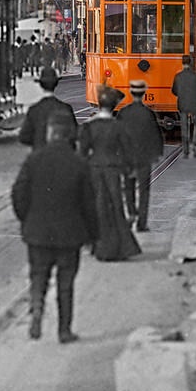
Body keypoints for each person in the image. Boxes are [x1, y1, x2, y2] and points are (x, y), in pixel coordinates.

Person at [11, 117, 100, 343]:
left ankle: (37, 305)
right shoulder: (79, 163)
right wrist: (93, 235)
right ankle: (64, 330)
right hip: (70, 235)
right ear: (69, 136)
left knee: (38, 274)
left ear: (51, 133)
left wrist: (27, 219)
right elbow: (90, 204)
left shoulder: (33, 160)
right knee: (66, 283)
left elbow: (18, 194)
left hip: (38, 233)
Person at [81, 86, 140, 261]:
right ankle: (119, 247)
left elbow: (82, 152)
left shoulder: (89, 127)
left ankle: (98, 246)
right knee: (115, 207)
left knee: (97, 207)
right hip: (113, 171)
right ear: (114, 106)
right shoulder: (118, 127)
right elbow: (127, 151)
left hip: (94, 170)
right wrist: (130, 169)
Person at [116, 79, 165, 232]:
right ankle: (142, 223)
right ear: (143, 94)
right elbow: (155, 135)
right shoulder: (148, 113)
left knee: (128, 188)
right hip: (144, 158)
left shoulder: (123, 112)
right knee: (144, 191)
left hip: (127, 157)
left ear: (131, 93)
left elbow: (118, 135)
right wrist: (157, 153)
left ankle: (131, 213)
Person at [17, 66, 79, 150]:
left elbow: (24, 137)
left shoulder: (34, 110)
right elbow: (75, 134)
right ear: (56, 84)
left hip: (40, 156)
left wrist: (37, 140)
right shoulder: (66, 108)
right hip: (62, 155)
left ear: (41, 85)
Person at [170, 57, 196, 158]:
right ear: (191, 63)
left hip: (182, 103)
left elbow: (174, 90)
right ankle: (194, 142)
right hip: (194, 103)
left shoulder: (178, 76)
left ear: (182, 63)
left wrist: (181, 95)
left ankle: (185, 146)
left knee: (184, 125)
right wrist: (195, 97)